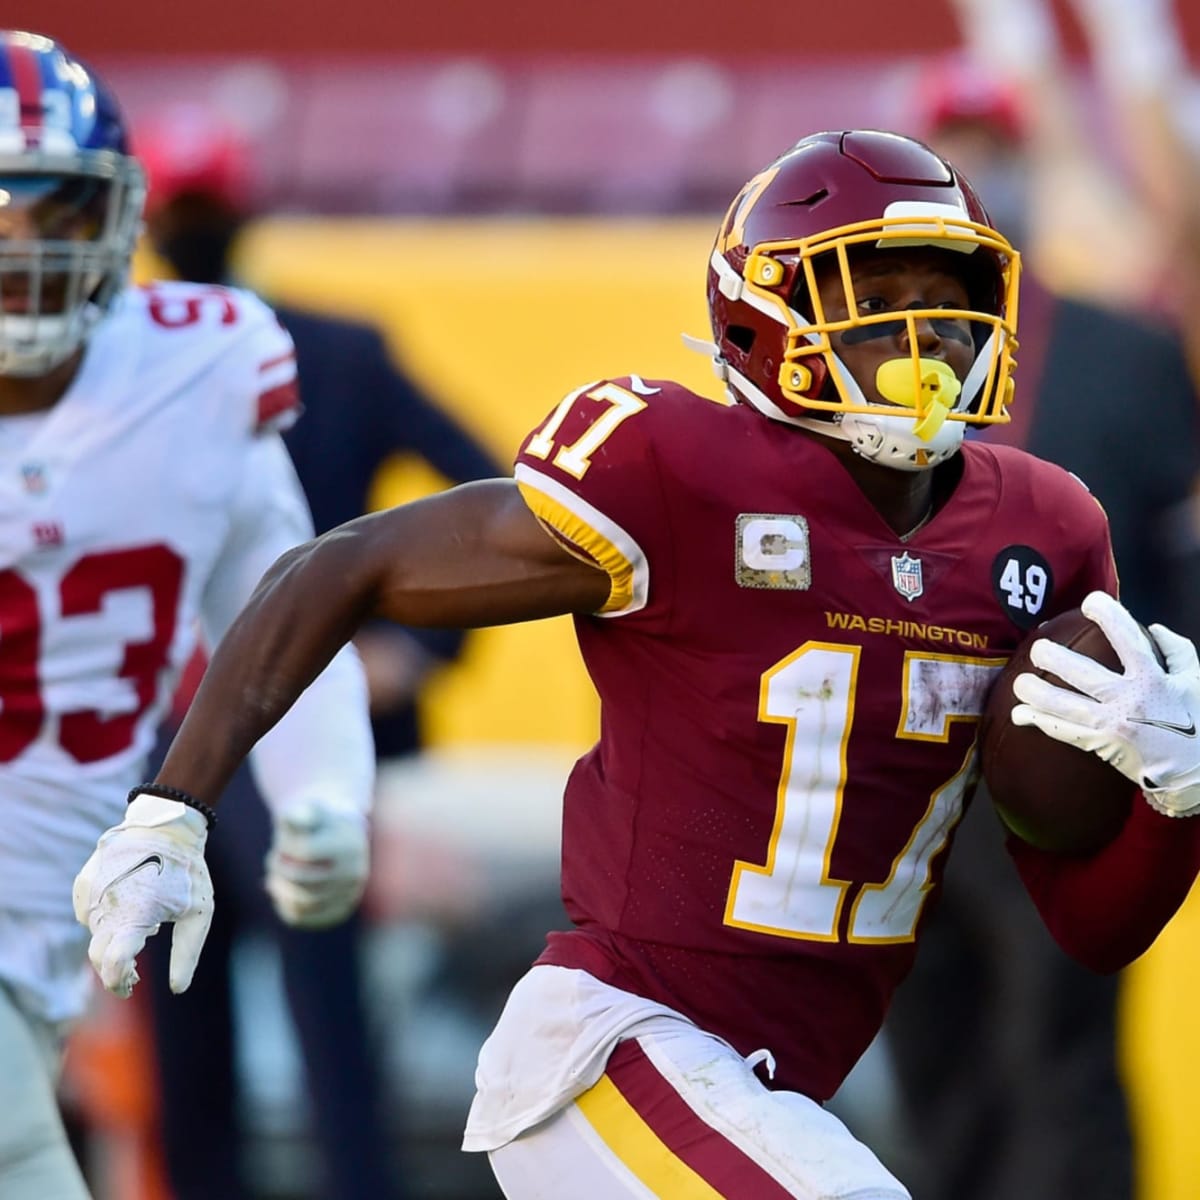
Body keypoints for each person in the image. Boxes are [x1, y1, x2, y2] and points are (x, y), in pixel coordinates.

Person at [74, 129, 1200, 1200]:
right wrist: (172, 808)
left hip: (768, 1095)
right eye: (876, 300)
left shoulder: (1042, 531)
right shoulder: (677, 468)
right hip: (609, 1052)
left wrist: (1176, 795)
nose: (926, 338)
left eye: (946, 303)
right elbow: (349, 564)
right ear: (768, 318)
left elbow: (1094, 929)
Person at [0, 29, 377, 1199]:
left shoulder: (196, 367)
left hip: (56, 903)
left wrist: (325, 796)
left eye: (49, 206)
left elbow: (283, 604)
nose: (18, 247)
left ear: (116, 220)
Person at [124, 102, 506, 1200]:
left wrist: (407, 647)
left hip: (298, 733)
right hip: (170, 739)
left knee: (327, 1039)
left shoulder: (331, 356)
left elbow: (498, 499)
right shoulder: (124, 373)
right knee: (186, 1056)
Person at [882, 30, 1200, 1200]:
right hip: (909, 764)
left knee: (1059, 1053)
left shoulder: (1126, 351)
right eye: (951, 150)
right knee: (934, 1051)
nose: (976, 170)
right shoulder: (867, 361)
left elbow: (1177, 560)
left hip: (1068, 767)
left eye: (991, 147)